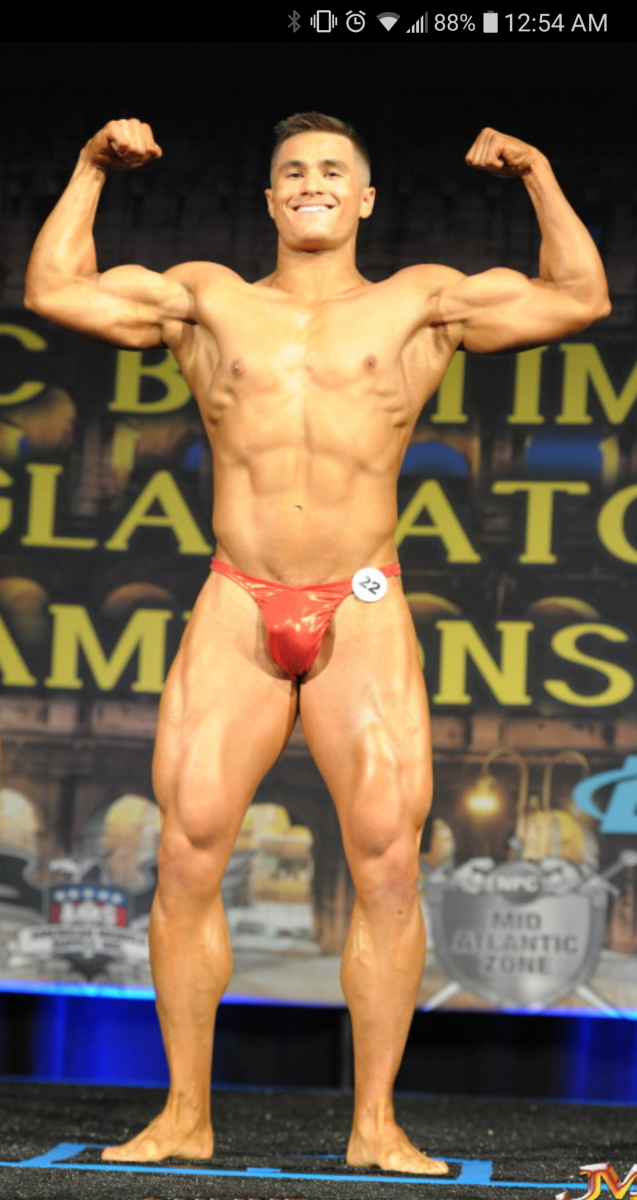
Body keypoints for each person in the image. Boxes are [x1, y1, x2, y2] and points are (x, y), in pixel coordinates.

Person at [24, 113, 610, 1173]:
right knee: (187, 854)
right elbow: (57, 290)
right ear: (269, 198)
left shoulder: (418, 301)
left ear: (364, 198)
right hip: (238, 600)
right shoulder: (210, 298)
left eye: (333, 170)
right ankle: (184, 1116)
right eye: (292, 170)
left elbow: (578, 297)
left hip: (363, 605)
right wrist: (89, 168)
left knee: (386, 863)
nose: (311, 182)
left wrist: (536, 170)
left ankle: (375, 1125)